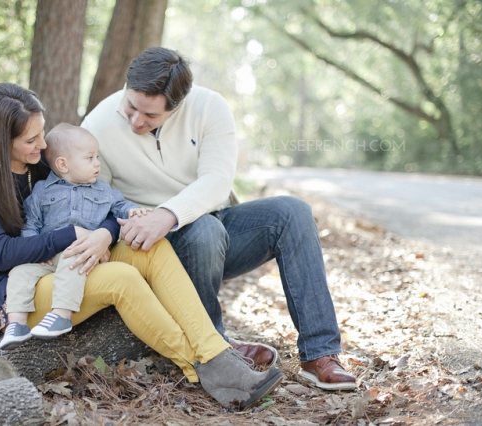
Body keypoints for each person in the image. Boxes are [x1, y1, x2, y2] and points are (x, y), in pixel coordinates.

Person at [0, 82, 285, 410]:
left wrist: (105, 234)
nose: (42, 144)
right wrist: (73, 235)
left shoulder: (43, 160)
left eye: (42, 132)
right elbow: (3, 255)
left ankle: (217, 353)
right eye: (30, 139)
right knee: (122, 278)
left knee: (148, 248)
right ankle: (201, 367)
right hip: (20, 294)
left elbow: (100, 199)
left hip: (67, 263)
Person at [81, 47, 357, 390]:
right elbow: (90, 199)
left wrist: (168, 214)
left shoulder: (210, 108)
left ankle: (319, 355)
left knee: (293, 213)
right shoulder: (98, 124)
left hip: (212, 229)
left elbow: (217, 180)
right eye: (131, 106)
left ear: (177, 106)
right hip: (150, 250)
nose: (136, 120)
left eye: (149, 115)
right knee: (204, 230)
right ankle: (216, 351)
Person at [0, 123, 150, 349]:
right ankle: (17, 324)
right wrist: (33, 249)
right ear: (63, 164)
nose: (97, 163)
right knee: (20, 272)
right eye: (89, 158)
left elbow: (119, 205)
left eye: (97, 156)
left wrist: (133, 211)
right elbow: (31, 222)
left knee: (73, 258)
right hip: (48, 255)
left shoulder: (102, 189)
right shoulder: (42, 191)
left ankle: (61, 315)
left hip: (81, 250)